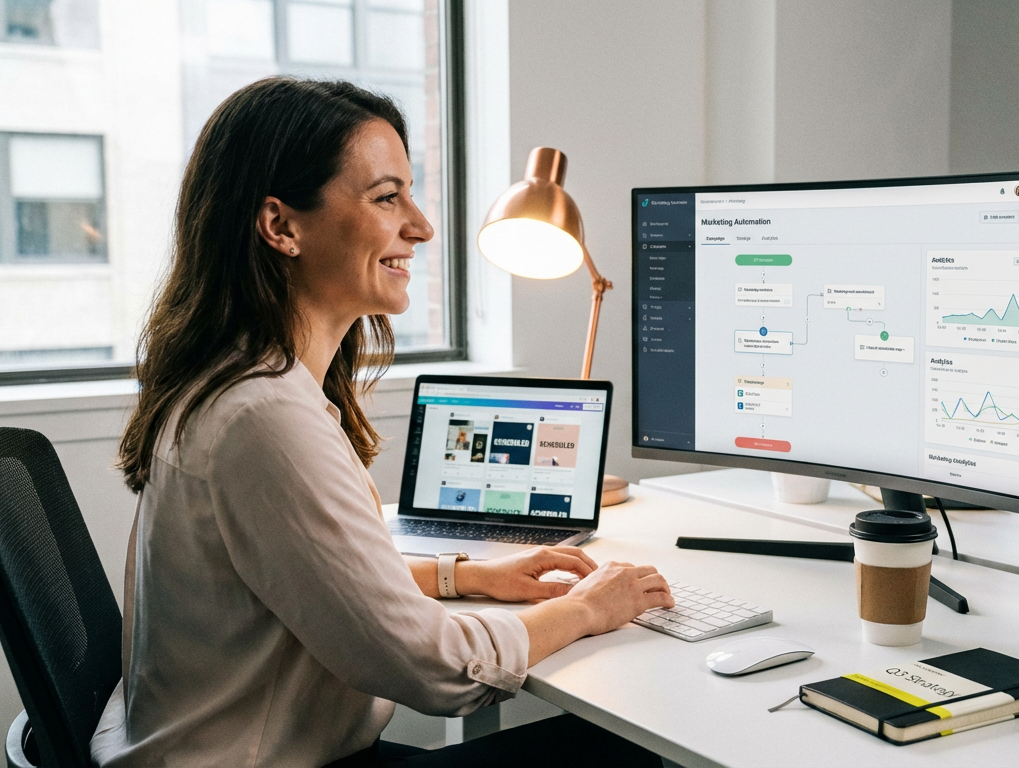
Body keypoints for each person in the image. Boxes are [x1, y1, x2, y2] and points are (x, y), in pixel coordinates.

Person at [98, 77, 673, 767]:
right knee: (619, 752)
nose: (422, 226)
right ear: (281, 226)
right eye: (386, 197)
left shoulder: (236, 381)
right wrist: (588, 607)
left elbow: (316, 574)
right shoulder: (263, 417)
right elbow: (438, 670)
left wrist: (463, 576)